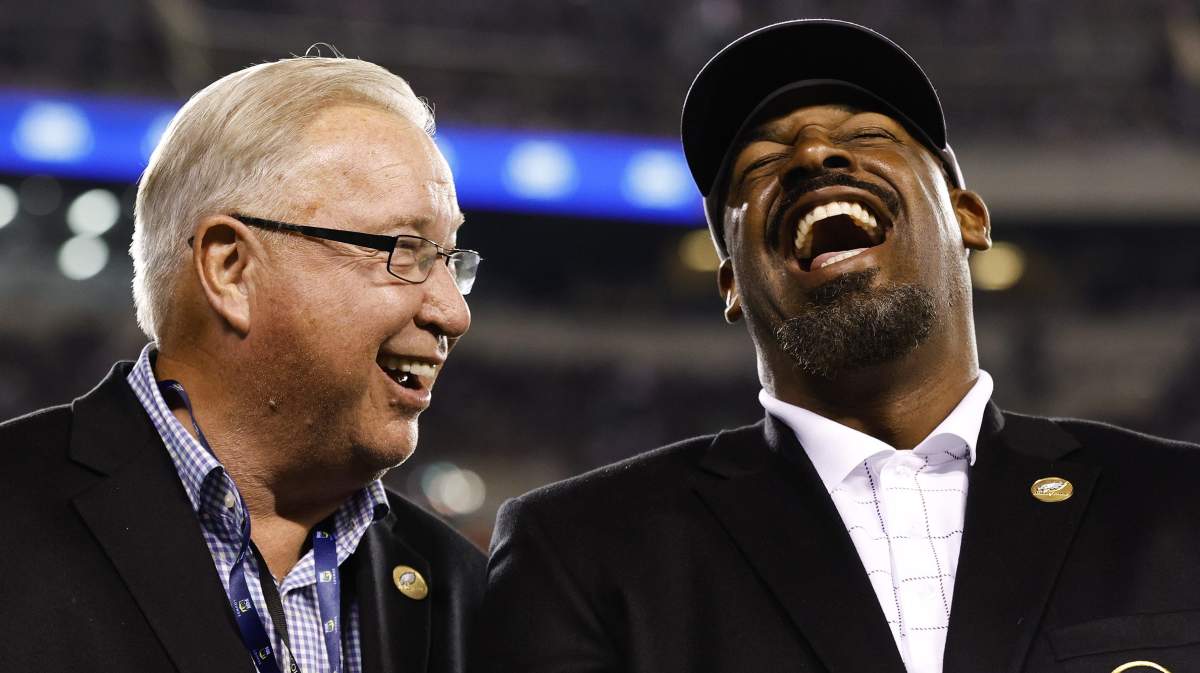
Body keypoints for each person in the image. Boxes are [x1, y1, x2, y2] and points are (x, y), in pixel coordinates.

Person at [475, 19, 1200, 673]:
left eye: (867, 135)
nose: (813, 153)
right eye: (759, 164)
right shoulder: (580, 549)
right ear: (730, 284)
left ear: (969, 218)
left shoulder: (1176, 502)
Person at [0, 56, 484, 673]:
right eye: (404, 251)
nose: (453, 313)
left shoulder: (463, 591)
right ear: (230, 269)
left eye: (450, 261)